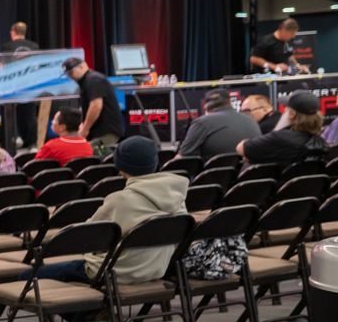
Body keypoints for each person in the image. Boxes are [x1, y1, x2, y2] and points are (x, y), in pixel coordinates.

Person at [39, 136, 186, 287]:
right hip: (158, 269)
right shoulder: (177, 196)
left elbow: (86, 237)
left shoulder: (120, 200)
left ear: (120, 166)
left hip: (115, 271)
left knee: (30, 274)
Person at [240, 90, 328, 165]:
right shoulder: (320, 141)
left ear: (292, 114)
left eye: (287, 108)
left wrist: (279, 128)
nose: (284, 111)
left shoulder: (279, 138)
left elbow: (241, 148)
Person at [63, 56, 126, 153]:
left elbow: (96, 105)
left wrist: (85, 128)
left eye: (71, 72)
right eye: (68, 74)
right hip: (100, 131)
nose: (71, 77)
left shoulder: (93, 80)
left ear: (82, 66)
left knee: (83, 154)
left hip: (106, 132)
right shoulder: (87, 81)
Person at [178, 87, 260, 159]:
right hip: (248, 174)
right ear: (230, 102)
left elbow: (184, 157)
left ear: (205, 106)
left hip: (211, 175)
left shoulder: (202, 122)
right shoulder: (251, 119)